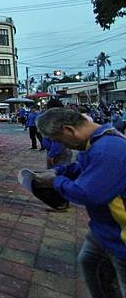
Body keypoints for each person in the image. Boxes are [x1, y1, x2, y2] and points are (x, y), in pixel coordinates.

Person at [37, 108, 126, 297]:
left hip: (121, 235)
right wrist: (62, 172)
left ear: (69, 130)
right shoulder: (97, 141)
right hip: (105, 229)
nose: (62, 145)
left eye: (60, 140)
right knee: (90, 263)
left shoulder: (108, 150)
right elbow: (84, 167)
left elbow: (86, 193)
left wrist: (55, 182)